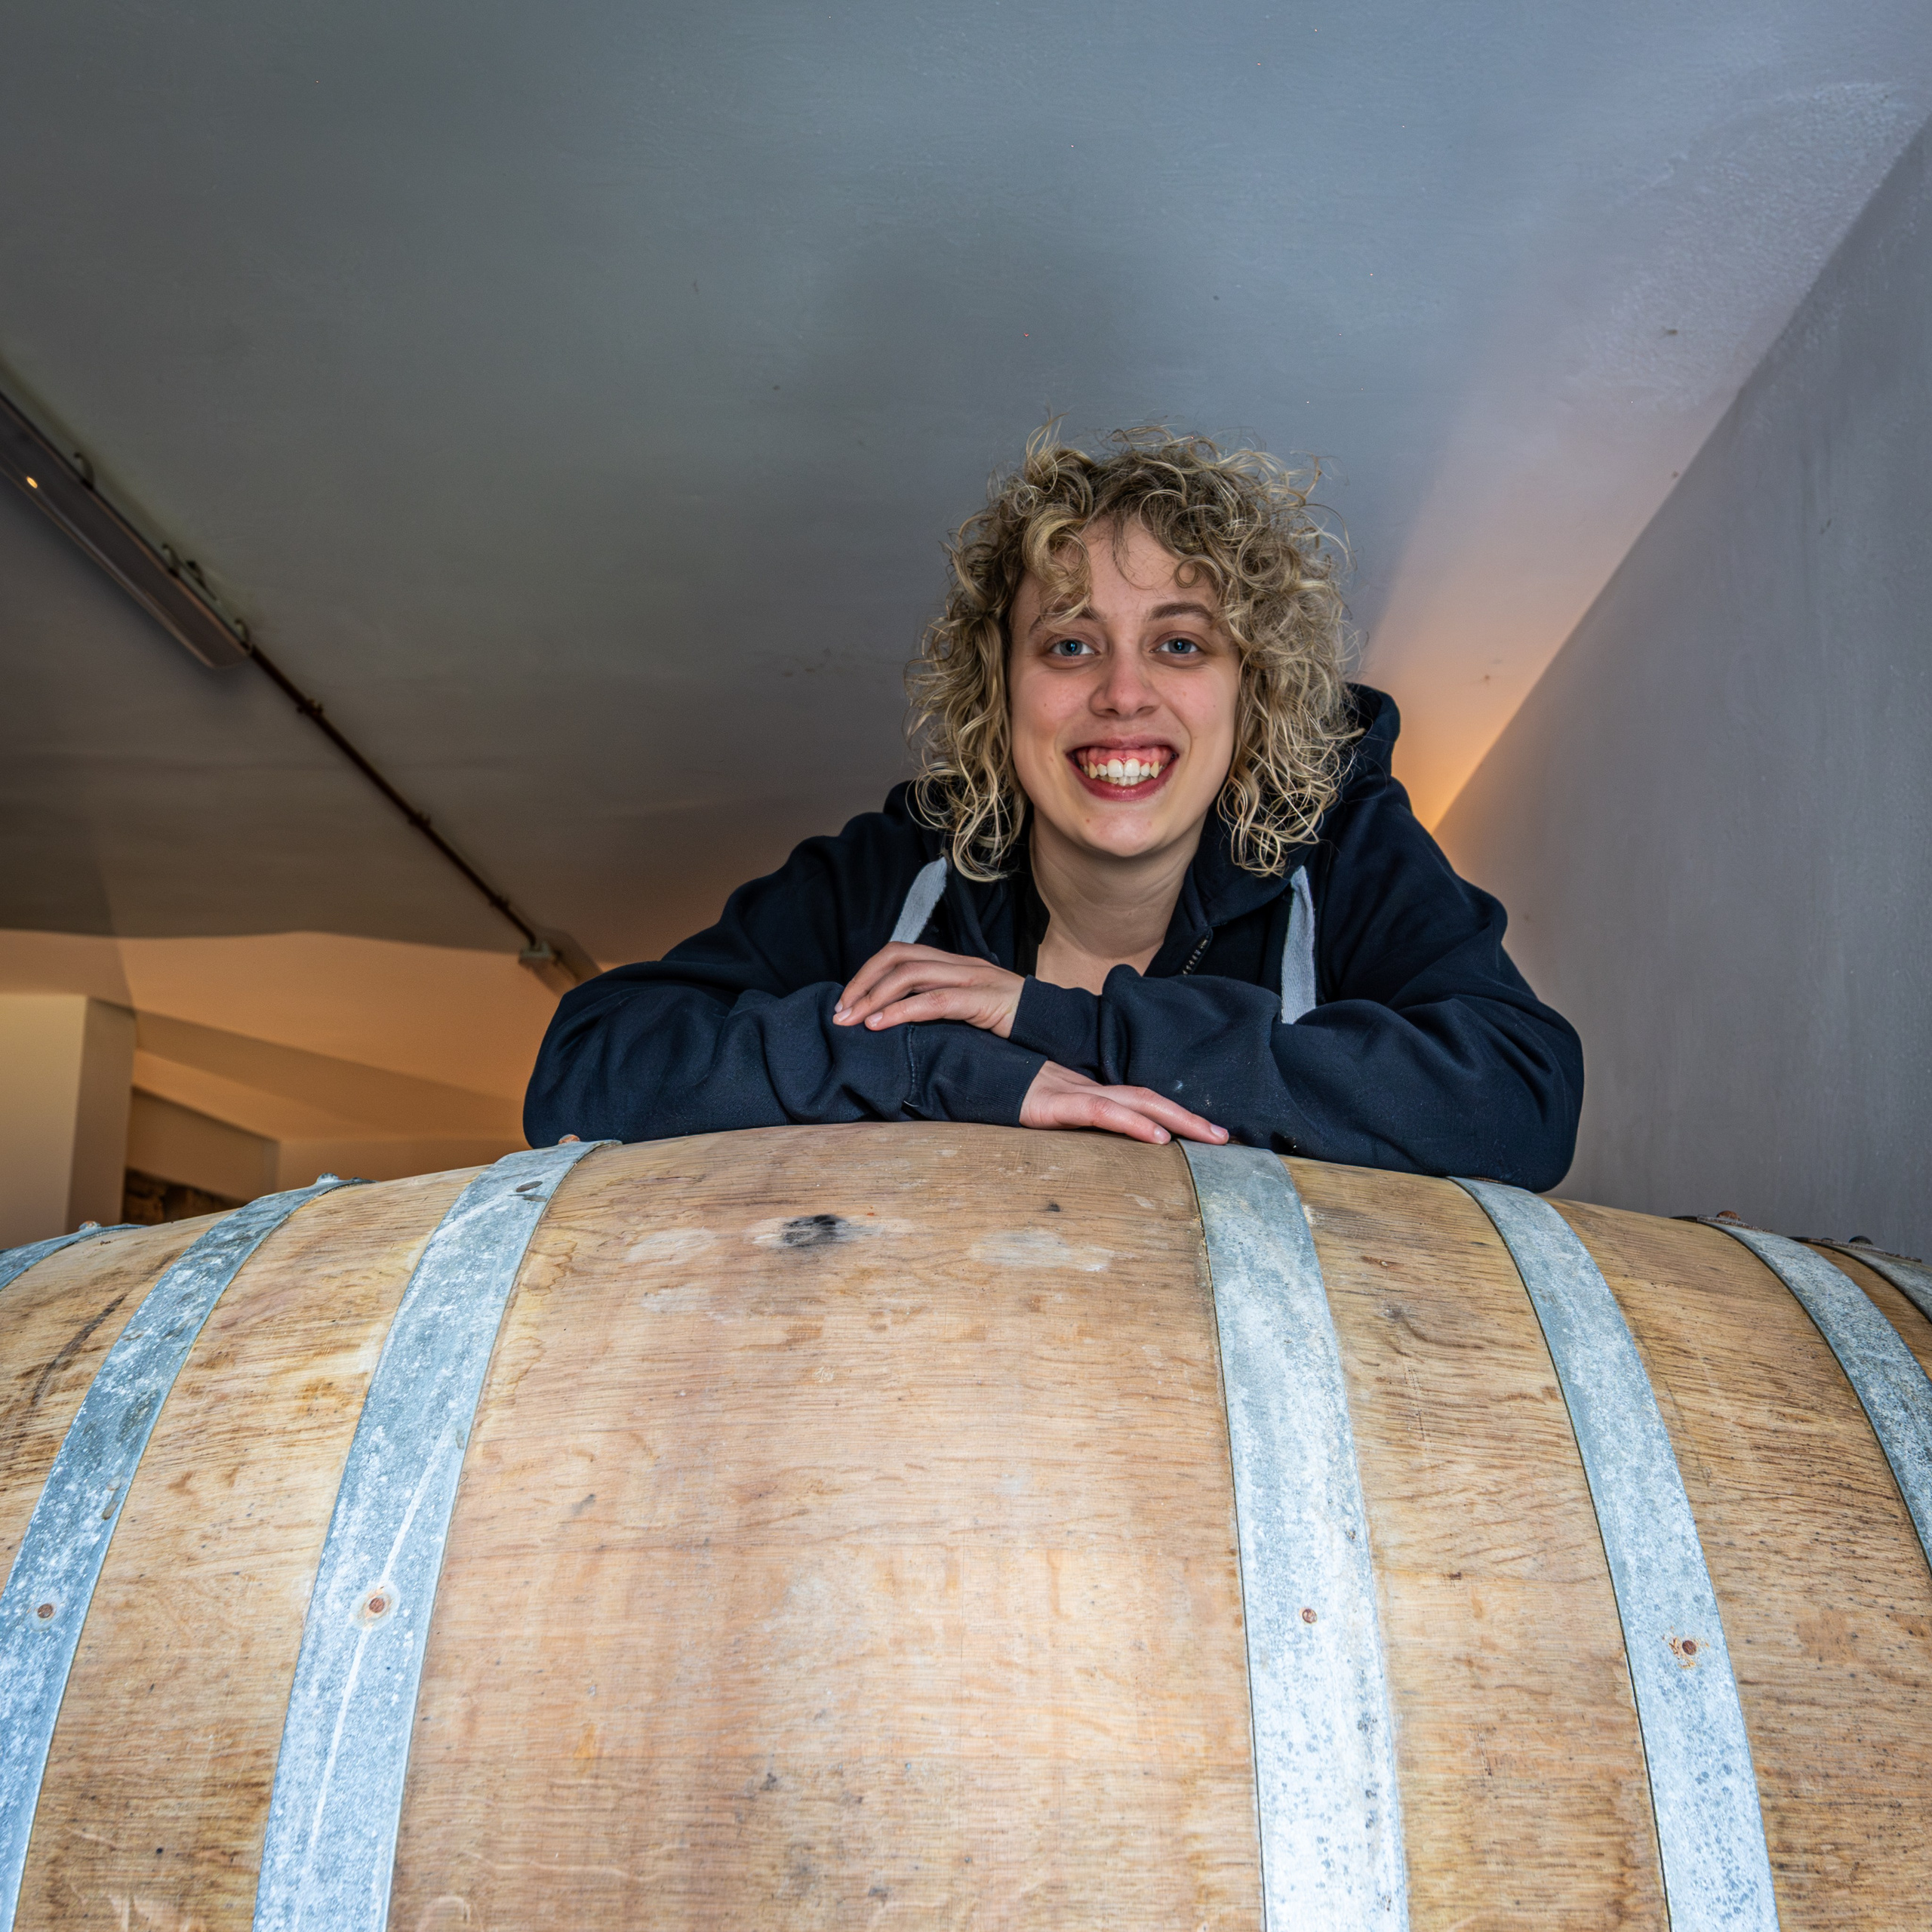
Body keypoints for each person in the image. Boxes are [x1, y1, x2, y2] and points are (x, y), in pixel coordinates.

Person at [525, 429, 1583, 1189]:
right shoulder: (902, 867)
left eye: (1180, 643)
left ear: (1251, 687)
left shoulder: (1340, 842)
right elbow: (590, 1068)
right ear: (1000, 687)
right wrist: (944, 1064)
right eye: (1070, 644)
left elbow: (1518, 1099)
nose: (1123, 693)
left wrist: (1045, 1022)